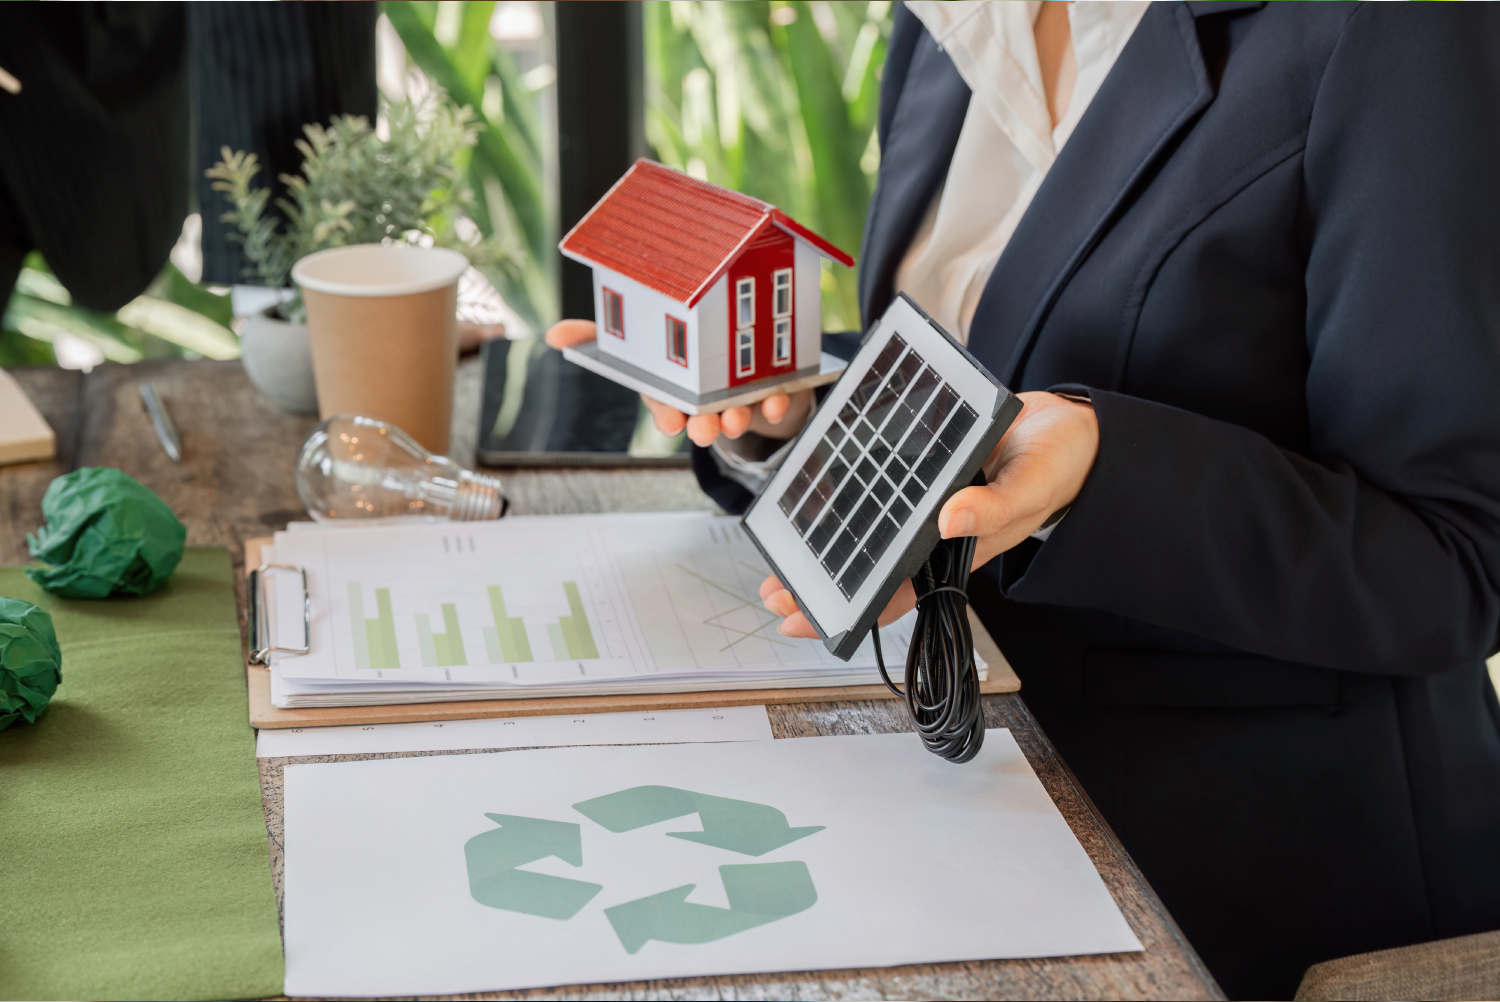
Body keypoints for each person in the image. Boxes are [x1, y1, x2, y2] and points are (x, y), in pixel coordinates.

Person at [548, 3, 1500, 998]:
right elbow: (976, 380)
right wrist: (790, 413)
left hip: (1241, 873)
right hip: (963, 793)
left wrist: (1100, 466)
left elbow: (1454, 561)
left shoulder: (1399, 26)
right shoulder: (947, 23)